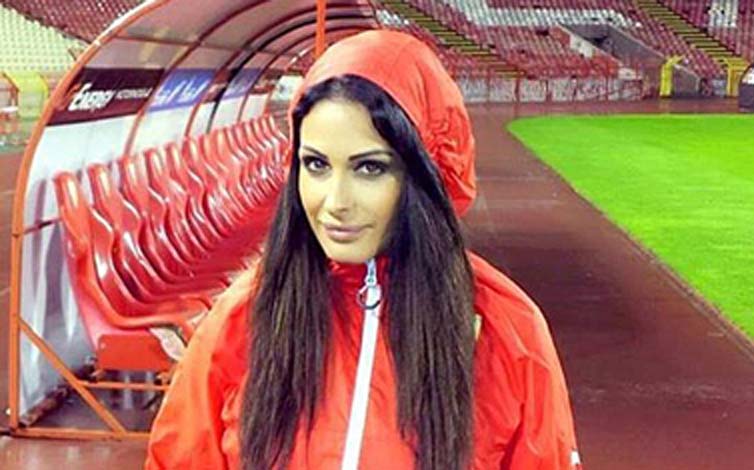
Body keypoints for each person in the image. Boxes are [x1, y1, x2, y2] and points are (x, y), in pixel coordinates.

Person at [144, 30, 581, 470]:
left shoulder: (507, 330)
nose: (335, 202)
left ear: (425, 174)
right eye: (316, 164)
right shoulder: (243, 317)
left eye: (369, 168)